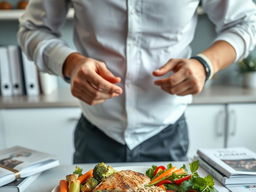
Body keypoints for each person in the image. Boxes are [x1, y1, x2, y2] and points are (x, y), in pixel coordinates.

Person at [18, 0, 256, 163]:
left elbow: (246, 22)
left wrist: (206, 64)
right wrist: (71, 63)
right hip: (96, 133)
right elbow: (32, 29)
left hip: (167, 133)